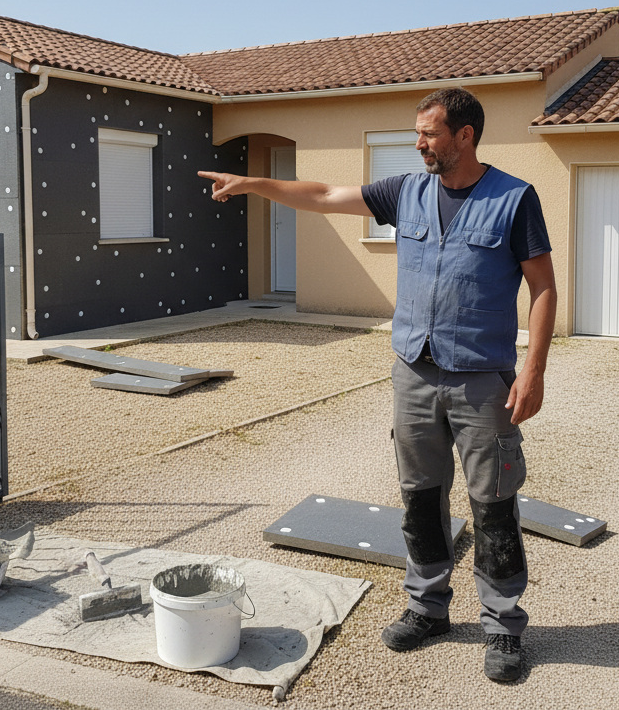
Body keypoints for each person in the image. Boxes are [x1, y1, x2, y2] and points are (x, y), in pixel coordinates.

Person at [198, 87, 556, 682]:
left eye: (429, 134)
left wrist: (535, 369)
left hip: (481, 381)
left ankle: (503, 625)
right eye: (418, 133)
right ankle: (427, 608)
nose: (419, 144)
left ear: (465, 135)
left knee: (494, 504)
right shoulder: (405, 192)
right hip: (413, 372)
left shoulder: (514, 199)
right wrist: (254, 184)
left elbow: (542, 287)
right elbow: (322, 195)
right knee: (420, 497)